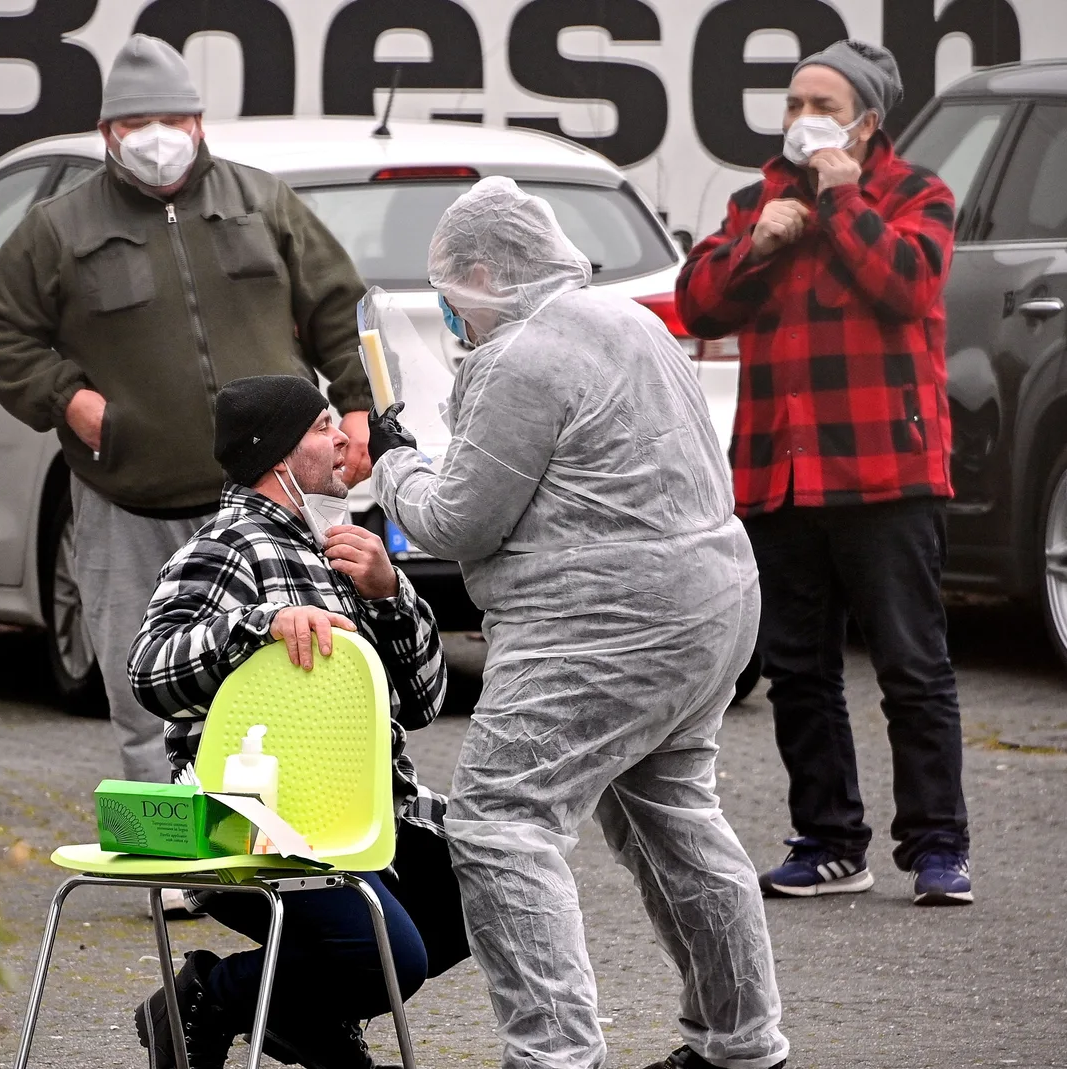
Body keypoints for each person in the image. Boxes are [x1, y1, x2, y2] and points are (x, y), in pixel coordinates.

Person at [371, 177, 788, 1069]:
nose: (452, 317)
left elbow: (458, 521)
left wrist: (393, 462)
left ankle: (555, 1057)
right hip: (712, 604)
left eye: (452, 296)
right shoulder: (629, 319)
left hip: (600, 626)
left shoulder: (523, 357)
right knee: (673, 813)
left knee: (499, 824)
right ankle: (742, 1045)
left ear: (483, 271)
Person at [0, 36, 378, 826]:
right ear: (107, 132)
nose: (158, 137)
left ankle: (300, 837)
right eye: (138, 122)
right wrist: (68, 397)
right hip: (131, 503)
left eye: (174, 118)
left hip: (272, 502)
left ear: (198, 120)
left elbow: (341, 308)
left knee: (303, 669)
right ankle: (169, 859)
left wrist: (356, 406)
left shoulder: (264, 203)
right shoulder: (60, 227)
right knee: (146, 688)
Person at [675, 40, 973, 907]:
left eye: (823, 103)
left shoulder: (918, 195)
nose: (803, 117)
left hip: (887, 472)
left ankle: (938, 846)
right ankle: (831, 840)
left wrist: (842, 198)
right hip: (781, 474)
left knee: (913, 666)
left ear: (868, 120)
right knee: (798, 670)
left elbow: (909, 286)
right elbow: (698, 303)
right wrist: (756, 246)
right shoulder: (752, 202)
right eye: (795, 101)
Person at [127, 375, 467, 1069]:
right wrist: (260, 625)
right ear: (276, 453)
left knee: (489, 890)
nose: (344, 436)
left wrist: (393, 593)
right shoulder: (226, 546)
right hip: (266, 827)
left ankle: (305, 1014)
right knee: (388, 959)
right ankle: (206, 995)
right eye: (321, 426)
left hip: (373, 818)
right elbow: (148, 668)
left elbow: (425, 700)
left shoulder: (343, 547)